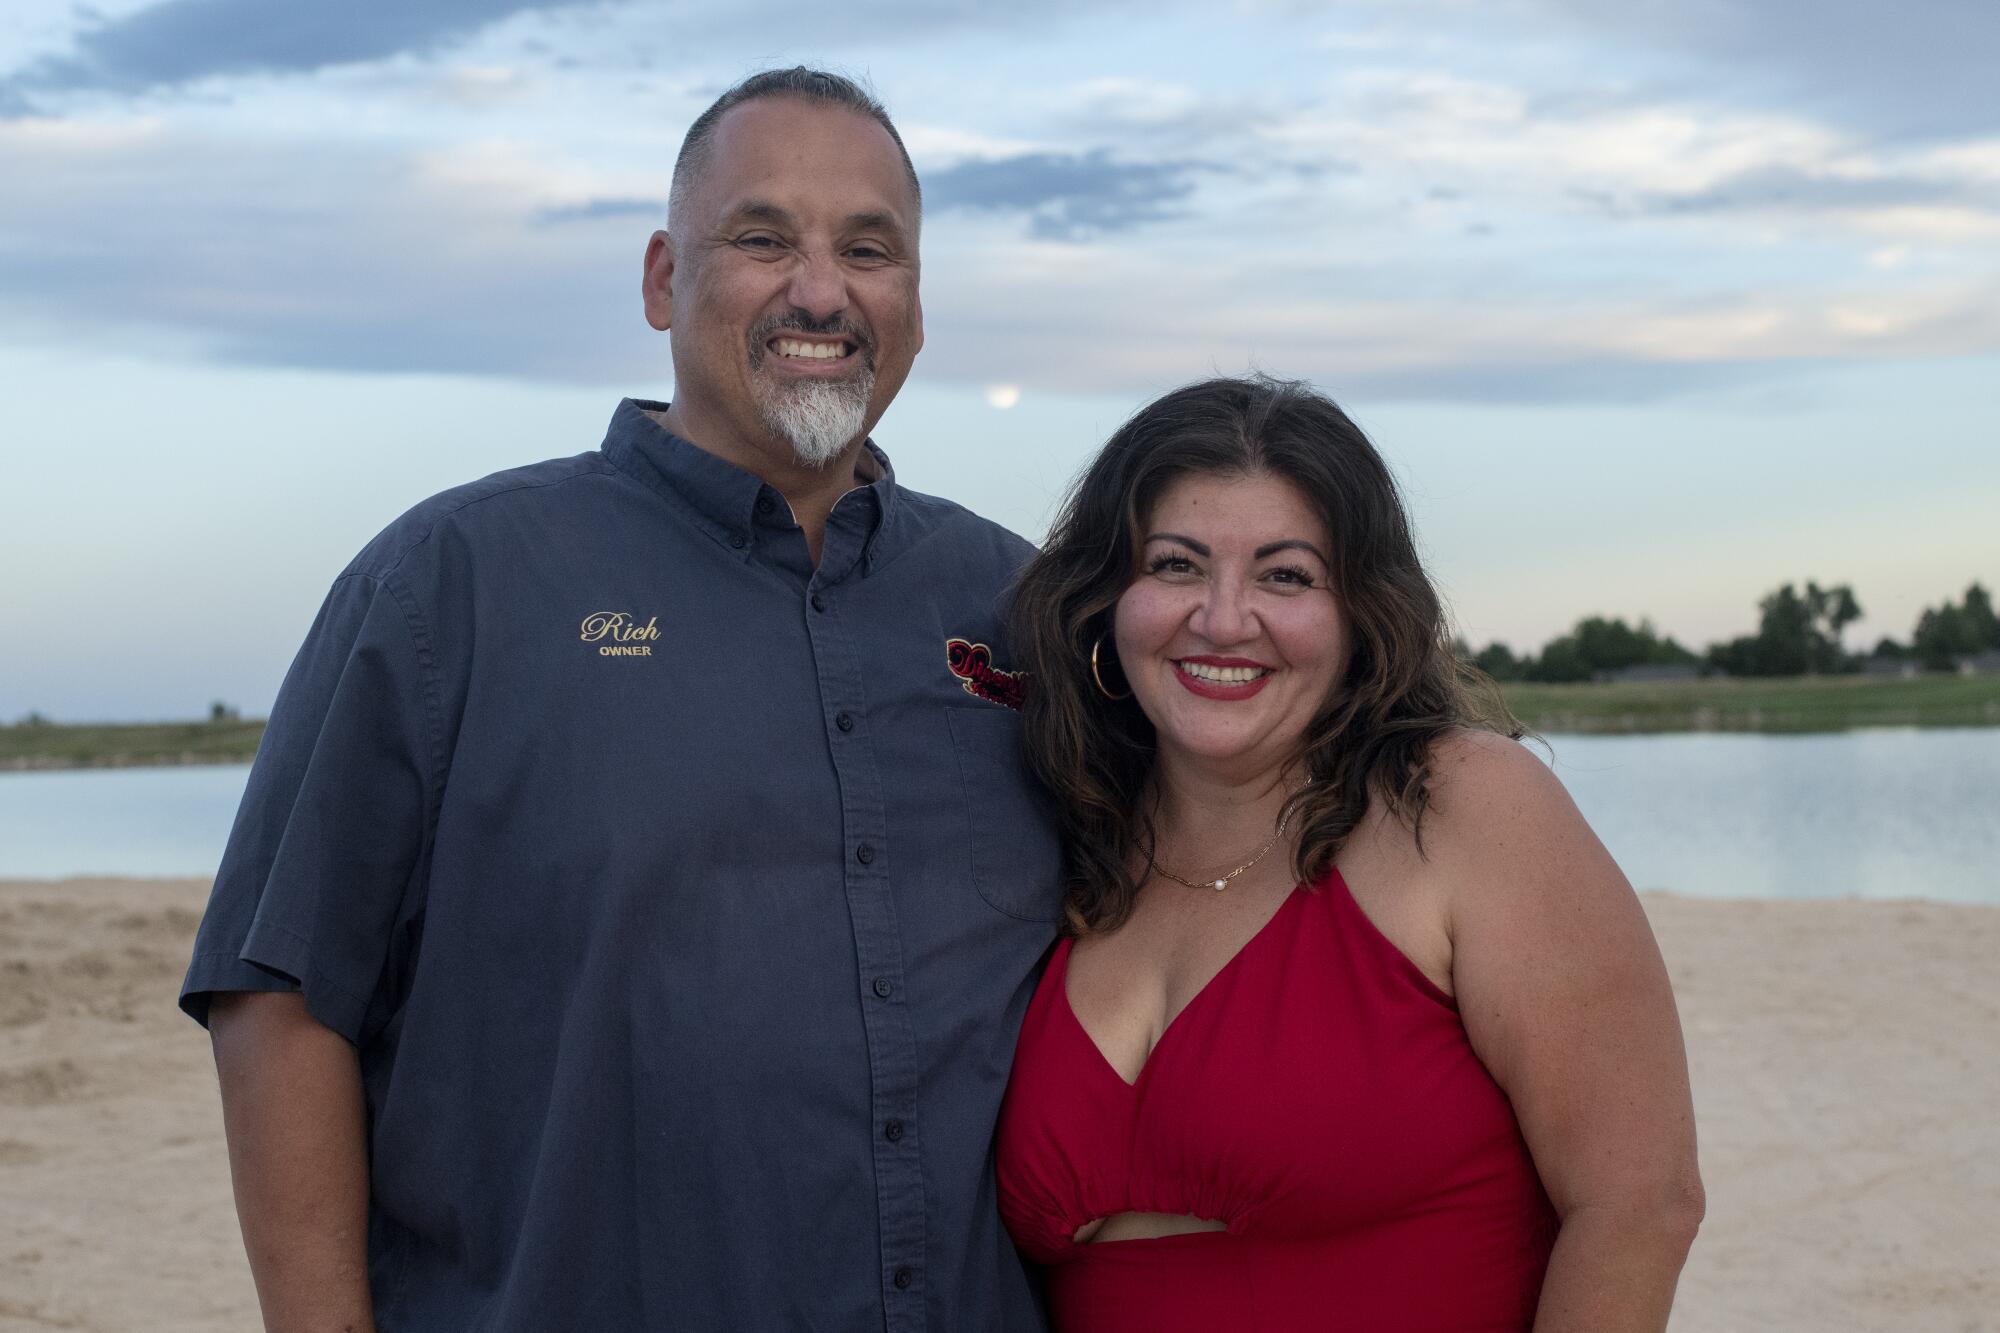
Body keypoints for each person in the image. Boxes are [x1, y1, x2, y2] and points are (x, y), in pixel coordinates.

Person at [180, 68, 1063, 1331]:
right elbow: (277, 997)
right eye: (762, 239)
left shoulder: (1019, 606)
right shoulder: (452, 586)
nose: (821, 290)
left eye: (869, 250)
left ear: (914, 303)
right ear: (661, 281)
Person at [995, 376, 1703, 1331]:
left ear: (1360, 611)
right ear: (1107, 598)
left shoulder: (1463, 806)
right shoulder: (1060, 837)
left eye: (1286, 575)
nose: (1222, 617)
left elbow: (1639, 1205)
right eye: (1176, 564)